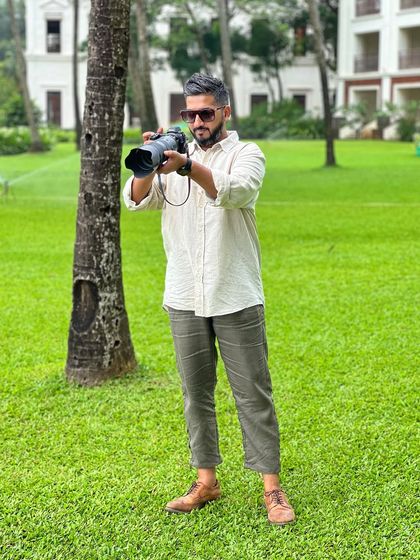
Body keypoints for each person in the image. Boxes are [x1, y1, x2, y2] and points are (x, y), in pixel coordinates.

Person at [123, 73, 295, 526]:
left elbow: (235, 192)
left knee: (252, 394)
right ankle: (206, 481)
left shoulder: (247, 154)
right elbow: (137, 202)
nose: (197, 121)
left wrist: (186, 166)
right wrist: (149, 163)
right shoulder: (173, 154)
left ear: (225, 112)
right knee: (195, 392)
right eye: (190, 114)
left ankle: (272, 489)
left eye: (205, 113)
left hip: (234, 292)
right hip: (184, 293)